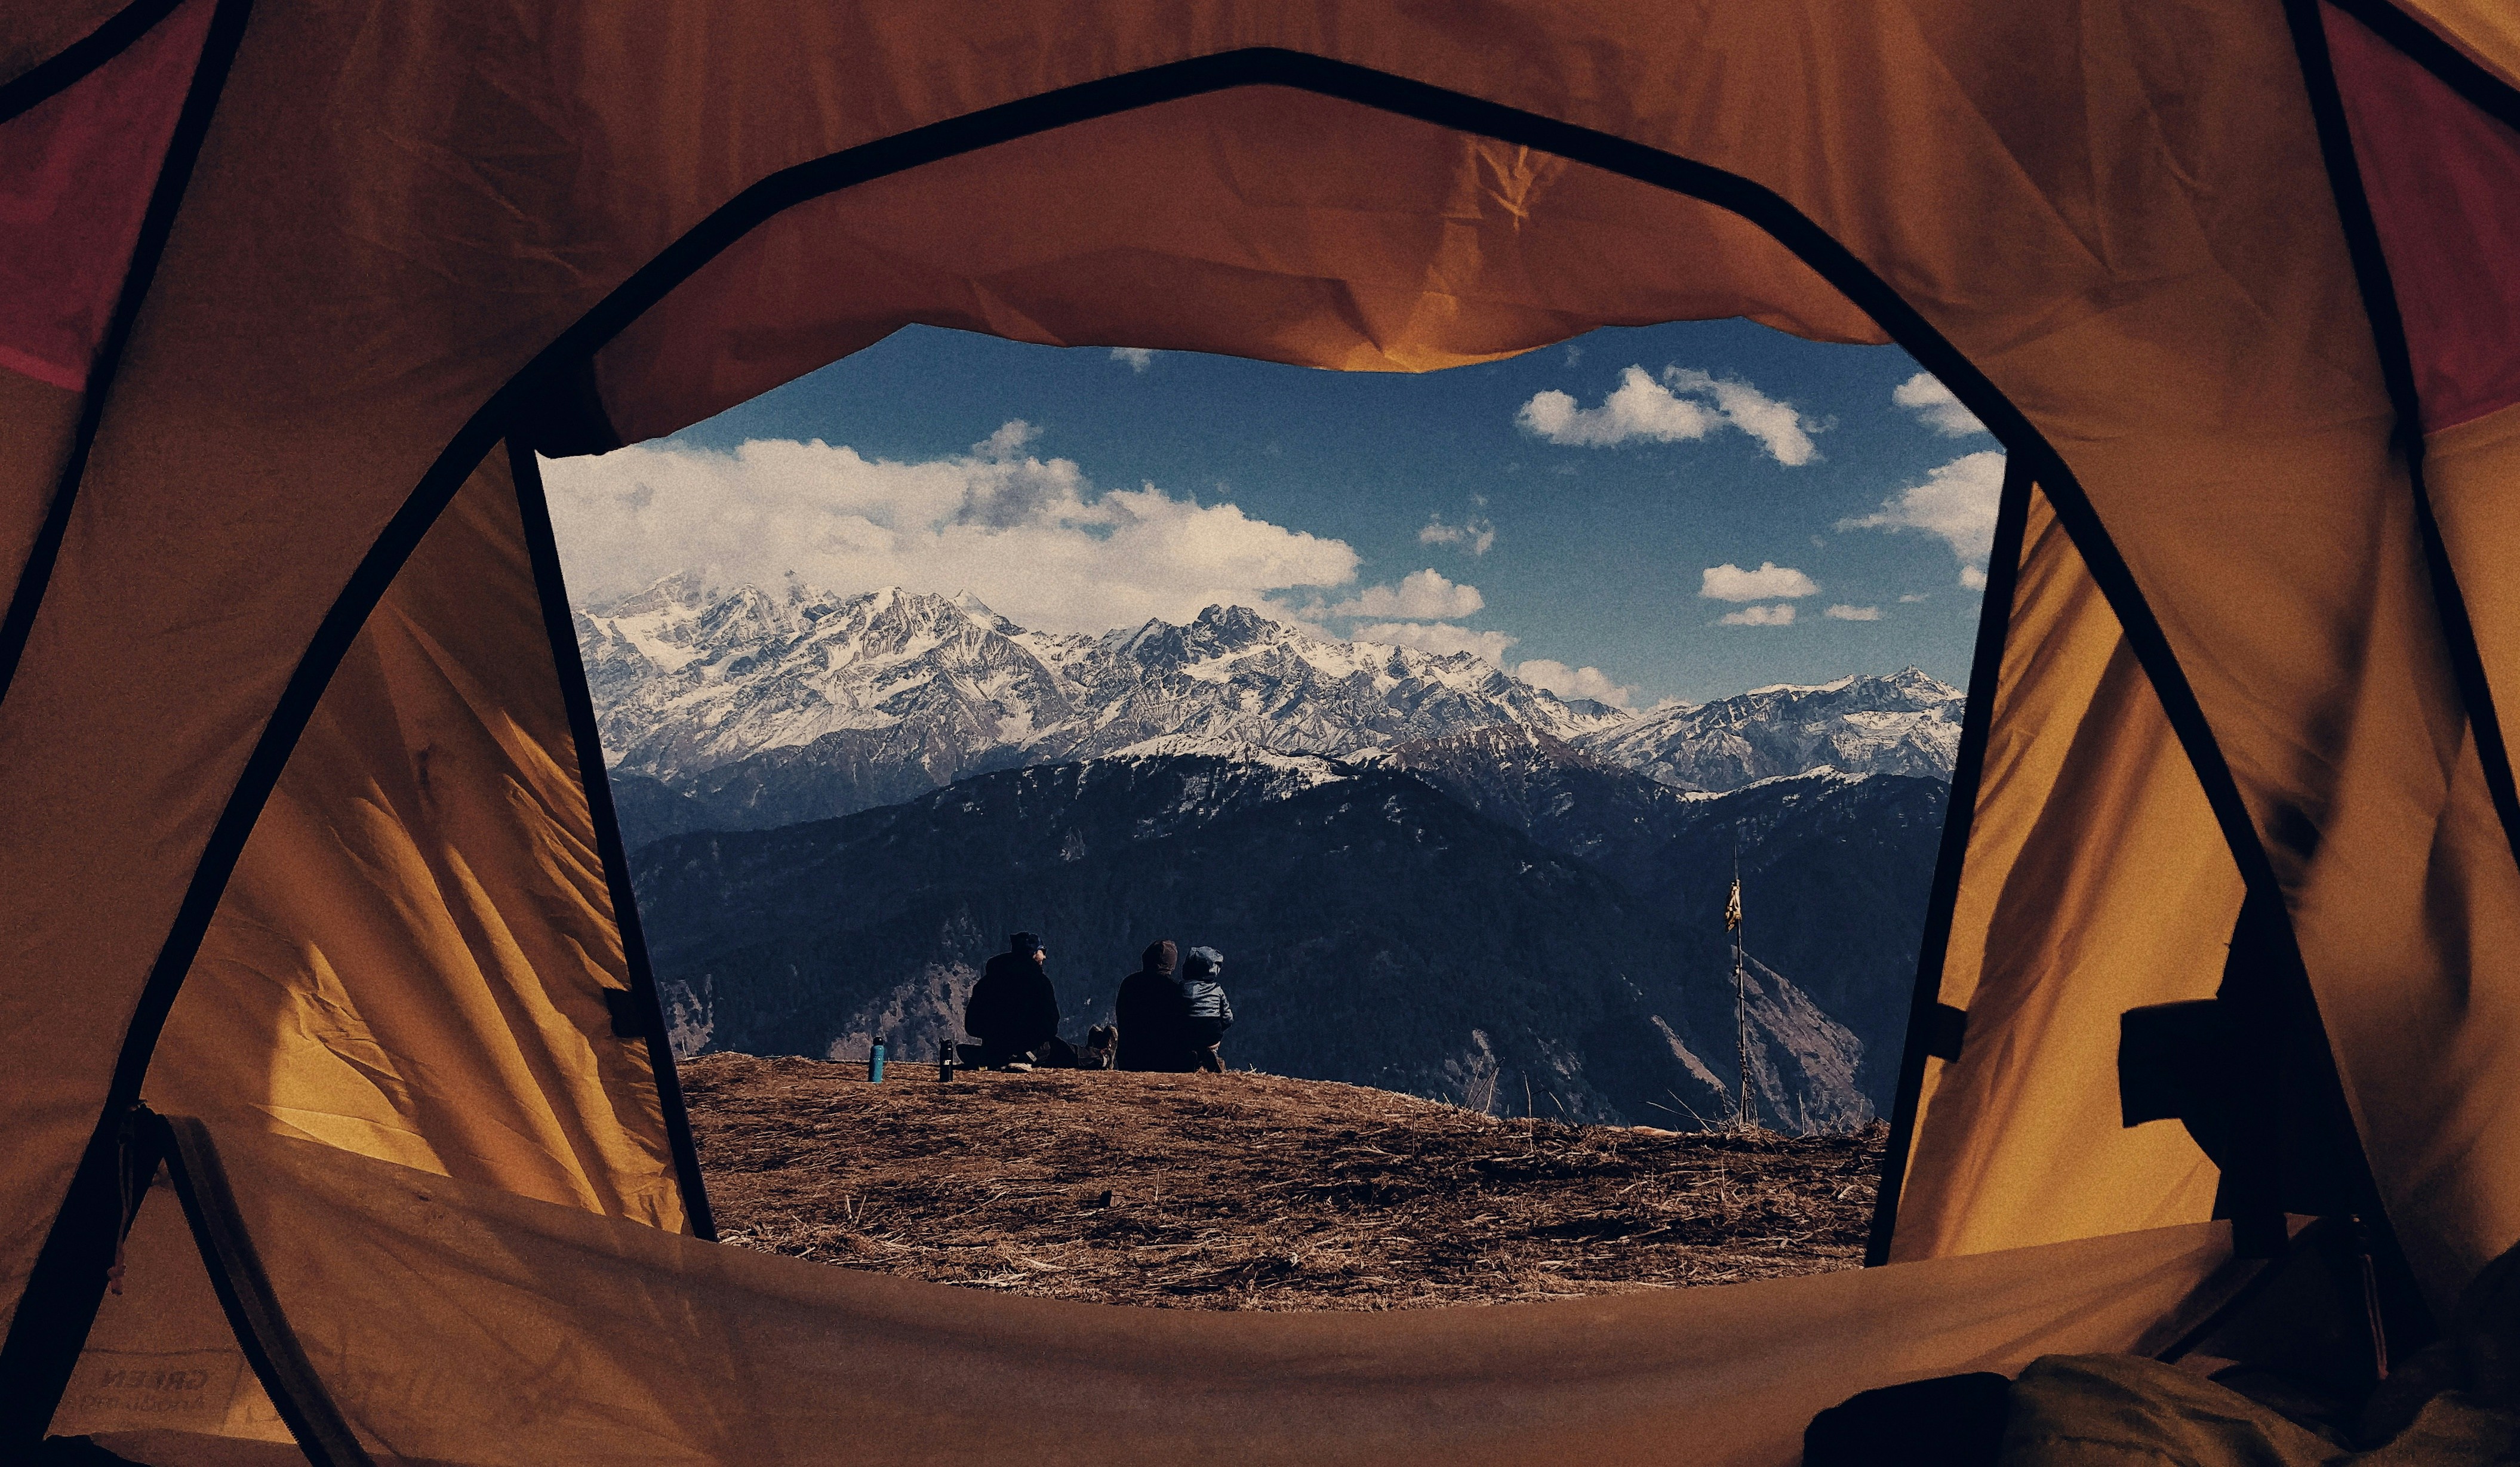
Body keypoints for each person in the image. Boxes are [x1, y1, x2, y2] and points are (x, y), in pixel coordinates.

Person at [1114, 939, 1236, 1072]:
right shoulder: (1175, 991)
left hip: (1128, 1060)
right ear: (1172, 964)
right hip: (1164, 1064)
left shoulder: (1128, 984)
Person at [964, 932, 1060, 1070]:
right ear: (1033, 953)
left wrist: (995, 1036)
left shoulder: (988, 982)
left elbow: (972, 1025)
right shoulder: (1040, 983)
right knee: (1064, 1051)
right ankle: (1099, 1056)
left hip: (995, 1047)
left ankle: (990, 1055)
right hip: (1029, 1049)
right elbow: (1051, 1024)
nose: (1044, 956)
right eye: (1042, 951)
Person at [1177, 946, 1235, 1073]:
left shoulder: (1182, 988)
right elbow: (1228, 1017)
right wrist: (1219, 1028)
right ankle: (1211, 1053)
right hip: (1212, 1033)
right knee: (1209, 1041)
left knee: (1187, 1038)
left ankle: (1192, 1057)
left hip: (1189, 1033)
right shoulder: (1218, 990)